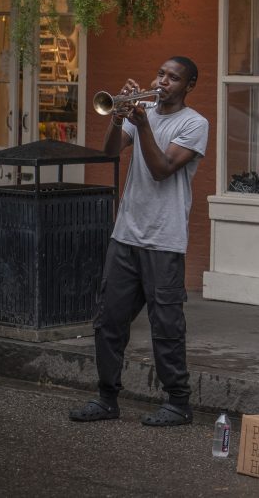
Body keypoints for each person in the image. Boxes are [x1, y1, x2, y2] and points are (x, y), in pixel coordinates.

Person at [70, 57, 209, 426]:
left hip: (164, 240)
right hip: (126, 234)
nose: (163, 82)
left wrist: (143, 125)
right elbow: (109, 153)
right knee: (108, 321)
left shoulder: (195, 124)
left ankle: (178, 403)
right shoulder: (142, 109)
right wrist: (118, 118)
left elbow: (162, 169)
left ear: (188, 86)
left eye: (173, 78)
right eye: (161, 74)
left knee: (166, 325)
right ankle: (106, 398)